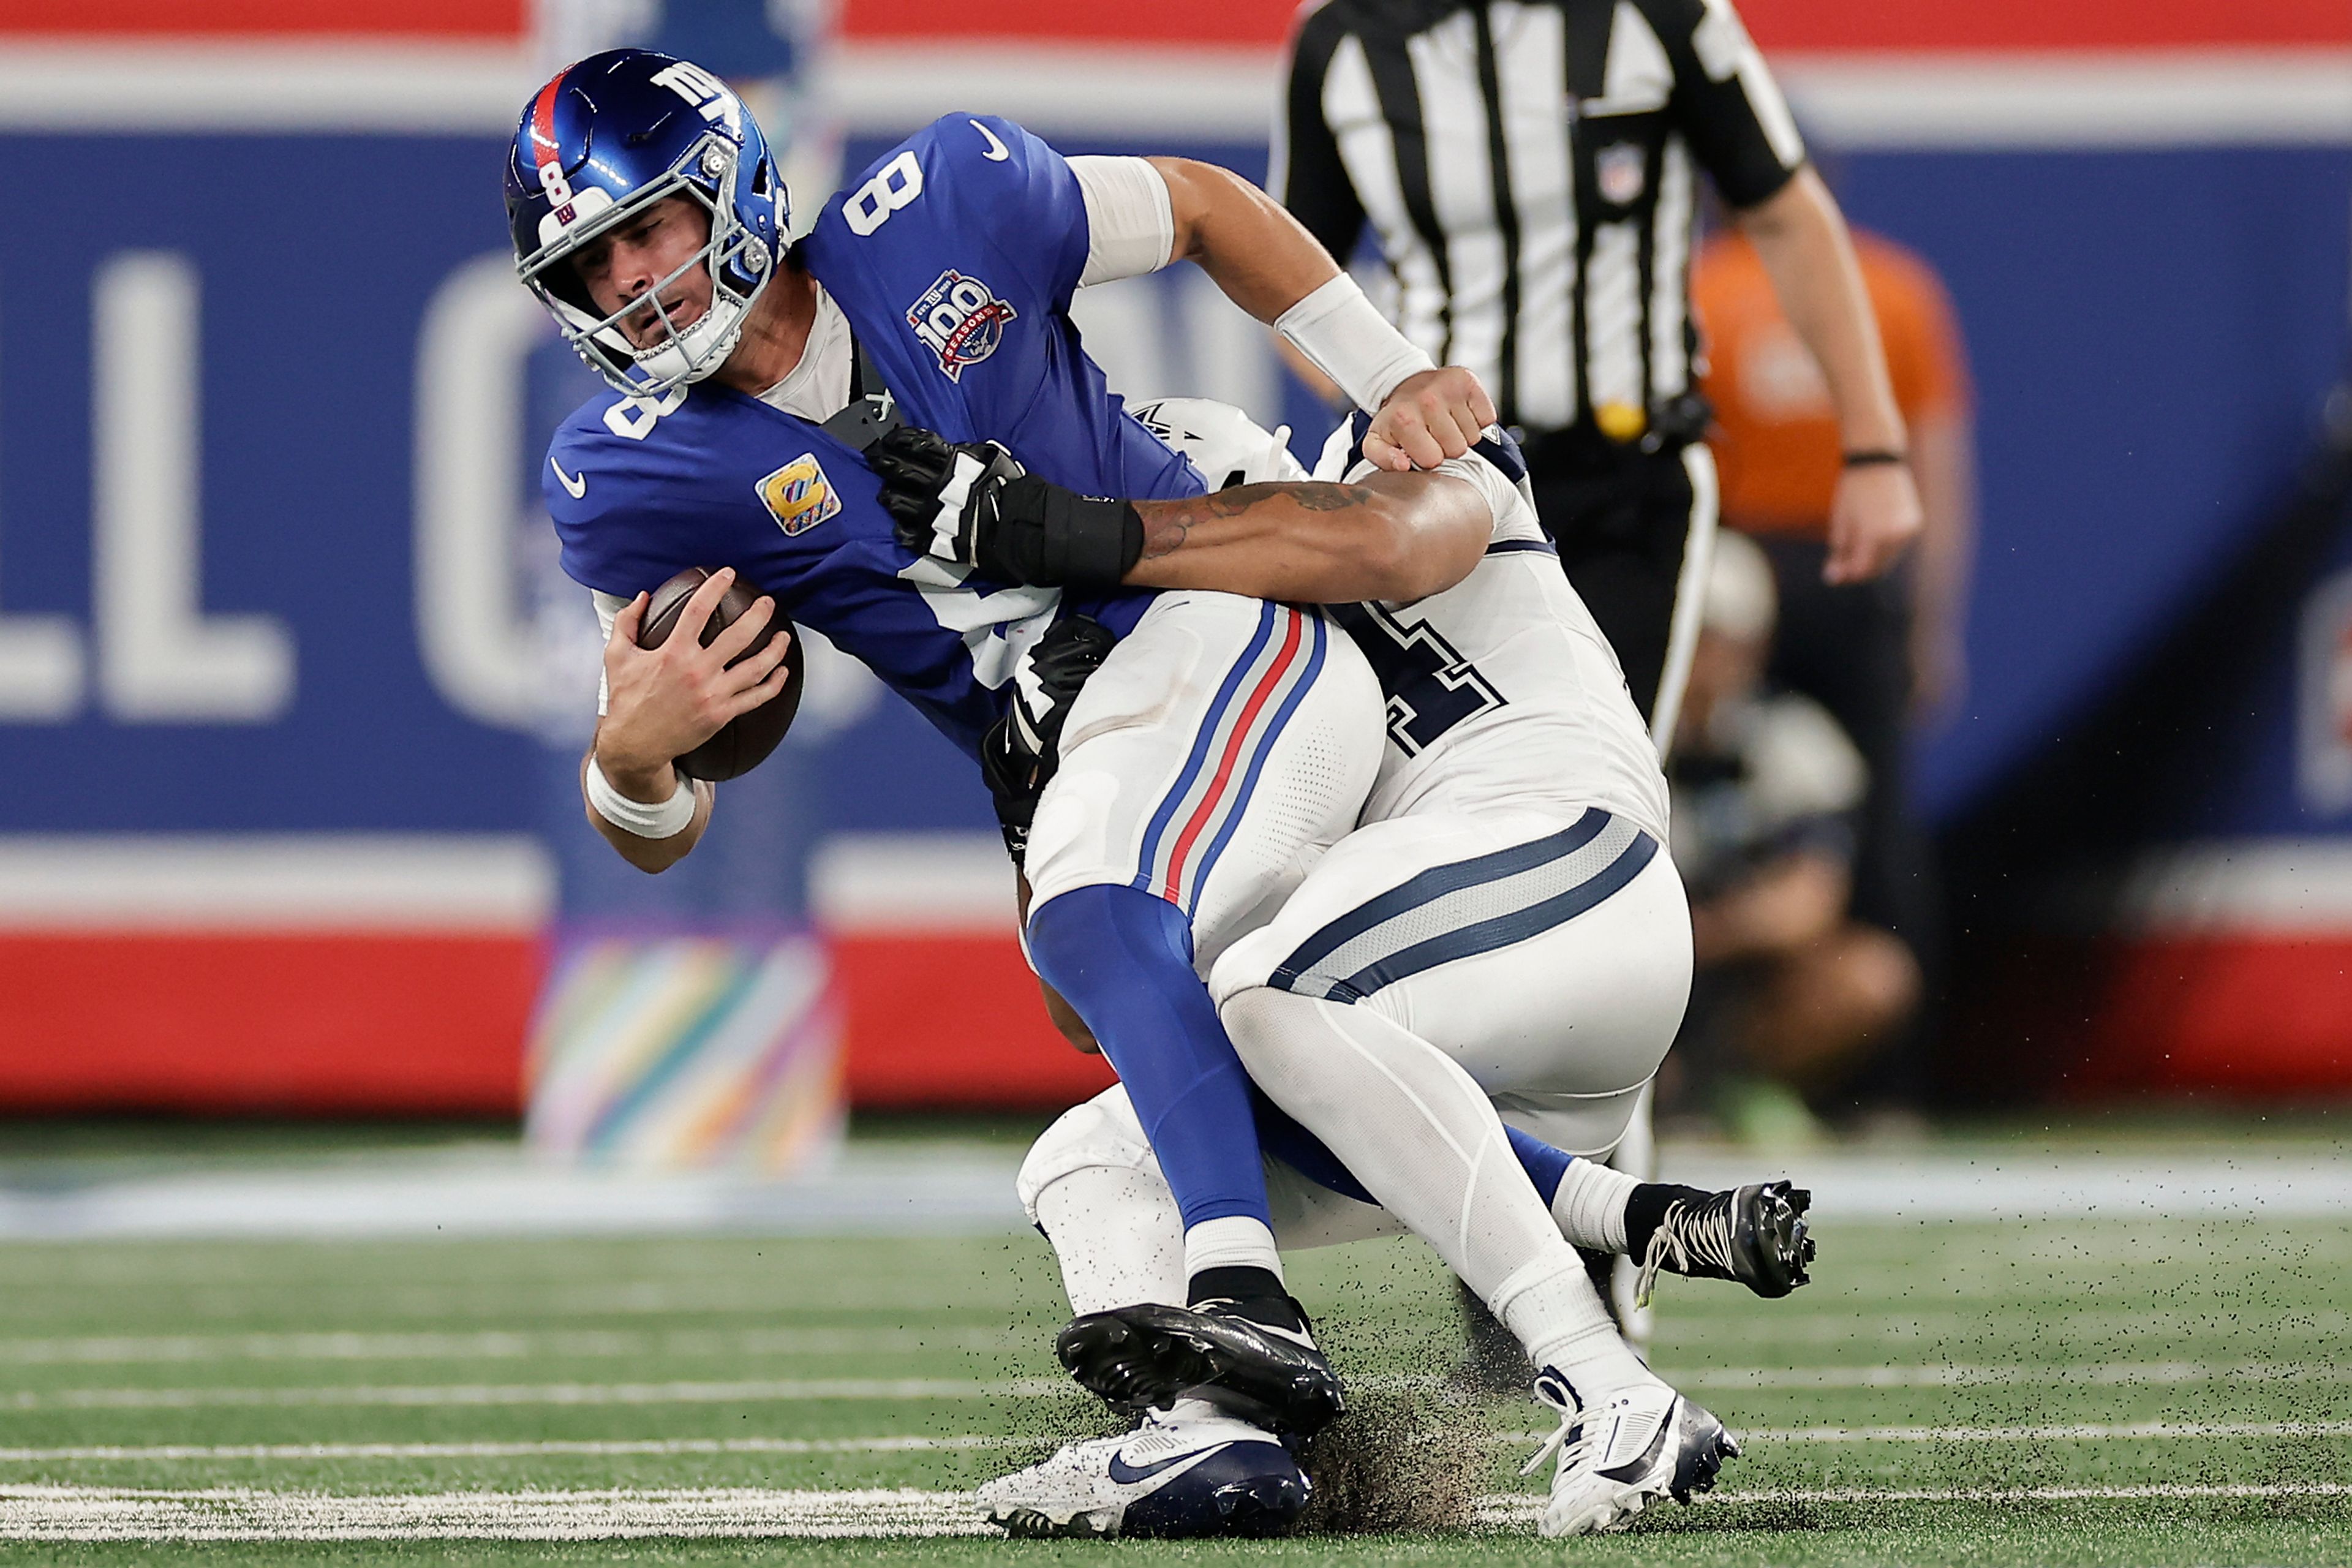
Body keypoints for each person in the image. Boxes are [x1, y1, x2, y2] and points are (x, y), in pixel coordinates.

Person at [505, 50, 1763, 1537]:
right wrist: (630, 757)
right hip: (1081, 745)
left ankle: (1252, 1298)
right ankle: (1216, 1424)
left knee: (1116, 910)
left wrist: (1387, 377)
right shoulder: (625, 471)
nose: (633, 284)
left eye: (647, 228)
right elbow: (656, 810)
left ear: (734, 185)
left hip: (1222, 646)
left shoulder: (956, 209)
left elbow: (1212, 225)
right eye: (591, 263)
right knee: (1112, 1129)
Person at [878, 399, 1813, 1538]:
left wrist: (1103, 532)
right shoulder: (1252, 701)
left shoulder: (1382, 463)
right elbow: (1105, 1018)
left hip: (1580, 865)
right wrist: (1039, 796)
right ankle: (1209, 1436)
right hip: (1488, 1048)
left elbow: (1387, 528)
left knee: (1273, 990)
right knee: (1099, 1153)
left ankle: (1607, 1383)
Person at [1272, 0, 1924, 742]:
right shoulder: (1342, 36)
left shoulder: (1661, 12)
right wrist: (1384, 395)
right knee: (1429, 776)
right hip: (1439, 483)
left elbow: (1786, 215)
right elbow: (1287, 281)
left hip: (1628, 479)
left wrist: (1874, 449)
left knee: (1606, 774)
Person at [1693, 221, 1973, 1116]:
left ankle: (1838, 1064)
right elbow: (1934, 460)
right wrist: (1931, 620)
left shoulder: (1704, 285)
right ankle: (1881, 1087)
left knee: (1855, 820)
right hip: (1847, 562)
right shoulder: (1890, 285)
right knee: (1868, 822)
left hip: (1745, 554)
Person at [1664, 531, 1921, 1140]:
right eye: (1692, 634)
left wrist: (1704, 933)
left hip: (1721, 969)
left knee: (1873, 974)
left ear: (1753, 645)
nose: (1704, 657)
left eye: (1717, 637)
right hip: (1630, 975)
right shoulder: (1617, 732)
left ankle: (1737, 1083)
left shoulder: (1797, 743)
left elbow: (1806, 904)